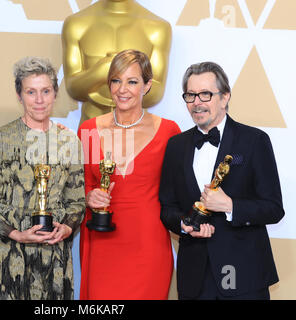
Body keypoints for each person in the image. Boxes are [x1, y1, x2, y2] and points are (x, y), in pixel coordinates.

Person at [159, 61, 285, 300]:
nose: (197, 102)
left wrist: (230, 206)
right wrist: (184, 225)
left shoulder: (255, 141)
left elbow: (274, 209)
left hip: (245, 275)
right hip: (194, 279)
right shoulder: (176, 146)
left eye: (205, 94)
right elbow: (167, 207)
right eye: (190, 95)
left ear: (225, 97)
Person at [0, 56, 85, 300]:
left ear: (55, 94)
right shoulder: (1, 137)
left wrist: (66, 227)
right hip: (4, 254)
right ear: (19, 95)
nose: (39, 100)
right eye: (31, 92)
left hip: (52, 257)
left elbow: (77, 202)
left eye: (45, 91)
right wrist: (15, 233)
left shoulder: (69, 141)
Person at [77, 49, 181, 299]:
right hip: (101, 242)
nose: (122, 89)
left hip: (148, 244)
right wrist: (89, 196)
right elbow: (81, 186)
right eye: (116, 80)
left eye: (132, 81)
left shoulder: (169, 131)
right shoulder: (89, 130)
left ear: (147, 85)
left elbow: (178, 192)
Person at [62, 0, 171, 125]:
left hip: (137, 130)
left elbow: (155, 94)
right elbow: (73, 89)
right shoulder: (76, 24)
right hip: (91, 125)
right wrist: (101, 72)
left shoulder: (158, 27)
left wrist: (112, 74)